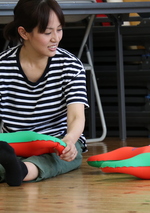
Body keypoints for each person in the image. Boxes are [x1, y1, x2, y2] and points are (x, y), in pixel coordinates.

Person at [0, 0, 88, 186]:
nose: (55, 38)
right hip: (14, 145)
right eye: (47, 32)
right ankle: (14, 168)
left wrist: (70, 141)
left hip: (58, 143)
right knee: (5, 159)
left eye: (59, 29)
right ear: (24, 33)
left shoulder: (70, 65)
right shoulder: (2, 66)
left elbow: (76, 117)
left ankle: (22, 171)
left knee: (59, 159)